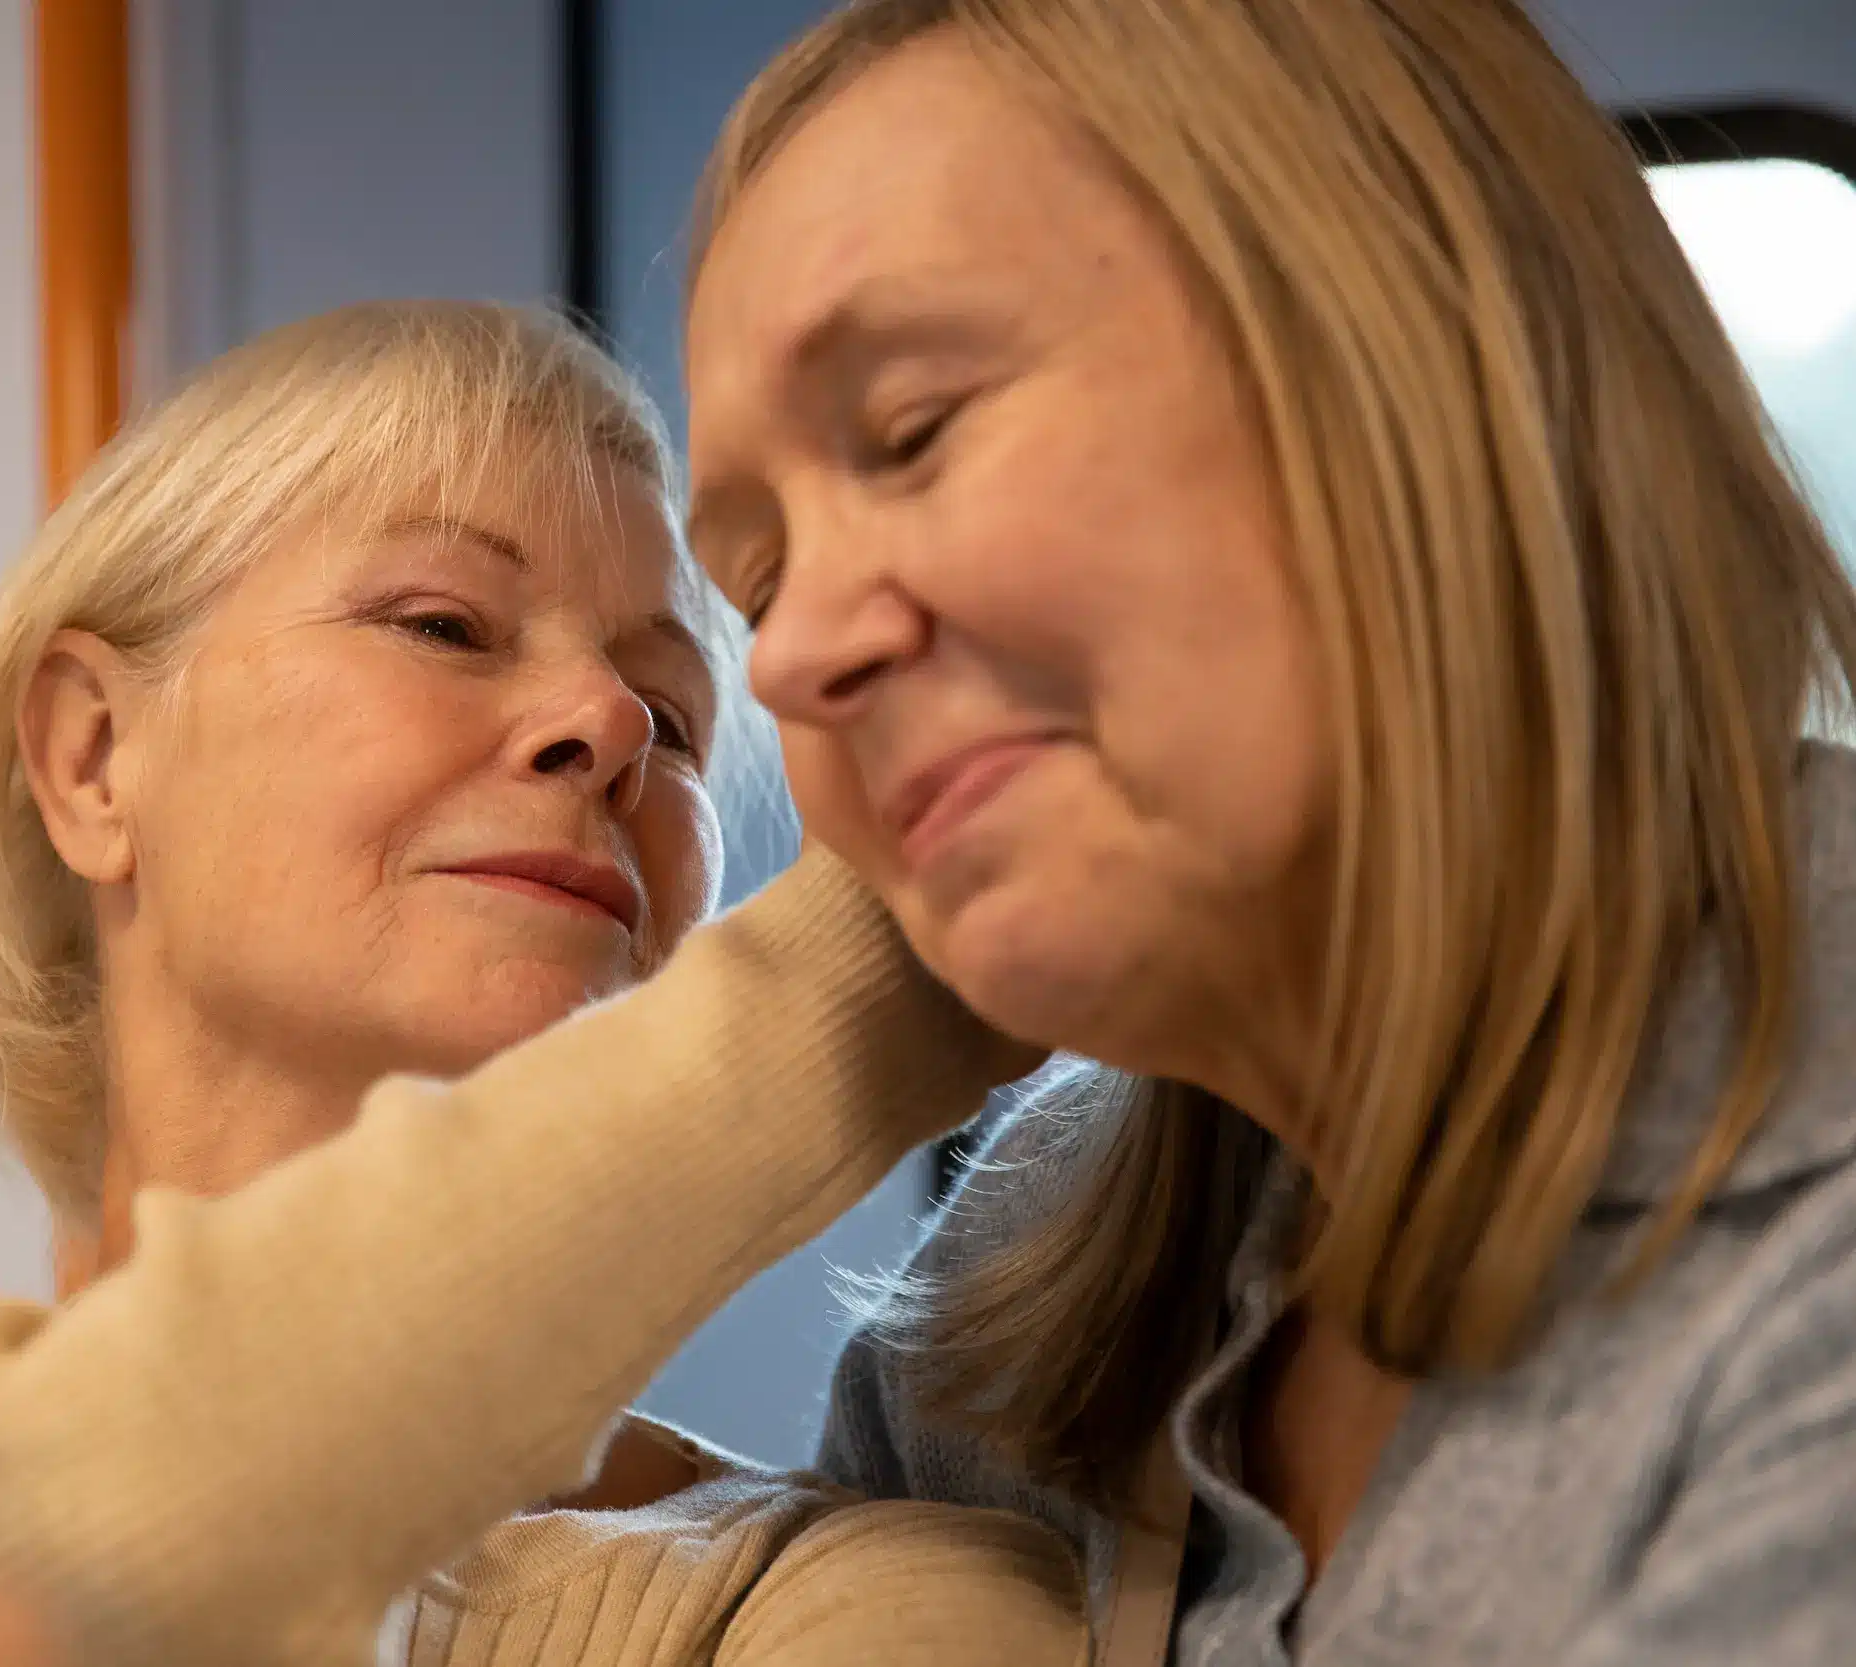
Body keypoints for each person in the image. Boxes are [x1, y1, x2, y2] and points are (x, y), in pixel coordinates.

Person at [677, 2, 1856, 1664]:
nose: (788, 658)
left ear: (1412, 349)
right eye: (759, 578)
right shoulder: (1030, 1272)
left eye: (917, 429)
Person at [0, 300, 1078, 1667]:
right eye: (446, 624)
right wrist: (865, 985)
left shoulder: (856, 1604)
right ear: (94, 756)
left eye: (676, 718)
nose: (612, 724)